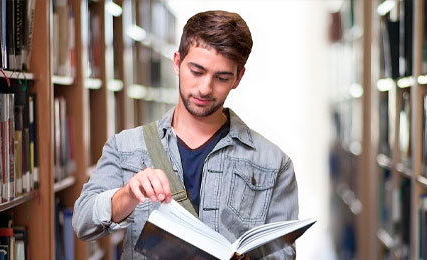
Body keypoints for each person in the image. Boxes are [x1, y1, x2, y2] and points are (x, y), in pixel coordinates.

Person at [73, 10, 299, 259]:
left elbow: (283, 253)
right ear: (177, 62)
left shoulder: (274, 163)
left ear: (238, 77)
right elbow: (83, 224)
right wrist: (127, 194)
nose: (205, 88)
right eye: (197, 71)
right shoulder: (125, 147)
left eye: (221, 77)